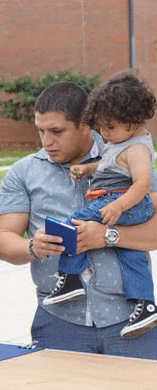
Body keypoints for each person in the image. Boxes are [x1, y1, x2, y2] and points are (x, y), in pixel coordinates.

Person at [0, 80, 157, 359]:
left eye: (56, 131)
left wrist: (107, 236)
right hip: (59, 322)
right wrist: (33, 246)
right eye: (41, 131)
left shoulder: (127, 155)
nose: (47, 141)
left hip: (131, 321)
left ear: (85, 124)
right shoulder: (23, 173)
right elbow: (3, 240)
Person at [42, 74, 156, 339]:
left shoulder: (138, 149)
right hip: (120, 201)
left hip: (123, 201)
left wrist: (117, 207)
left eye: (110, 127)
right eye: (101, 127)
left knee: (74, 224)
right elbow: (109, 165)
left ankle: (70, 277)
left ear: (133, 120)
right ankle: (146, 304)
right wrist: (87, 169)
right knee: (131, 253)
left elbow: (141, 185)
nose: (104, 133)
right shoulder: (120, 142)